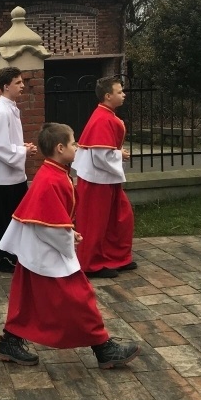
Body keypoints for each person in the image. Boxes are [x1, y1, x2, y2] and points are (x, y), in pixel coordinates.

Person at [0, 123, 140, 369]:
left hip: (37, 249)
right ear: (60, 148)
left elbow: (49, 219)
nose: (77, 146)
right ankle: (103, 347)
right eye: (73, 143)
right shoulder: (51, 180)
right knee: (80, 296)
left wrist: (67, 232)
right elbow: (46, 224)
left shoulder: (53, 173)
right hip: (45, 250)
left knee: (26, 297)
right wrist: (68, 239)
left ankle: (10, 341)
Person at [73, 76, 136, 278]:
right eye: (119, 92)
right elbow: (101, 156)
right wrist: (120, 155)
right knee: (95, 223)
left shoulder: (106, 115)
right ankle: (91, 264)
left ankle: (115, 257)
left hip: (104, 178)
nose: (123, 94)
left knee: (119, 218)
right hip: (96, 181)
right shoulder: (102, 119)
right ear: (108, 96)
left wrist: (116, 154)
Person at [0, 67, 37, 272]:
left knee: (12, 215)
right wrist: (22, 151)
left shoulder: (9, 108)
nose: (22, 86)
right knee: (2, 217)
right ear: (6, 86)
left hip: (9, 173)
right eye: (18, 82)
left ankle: (11, 253)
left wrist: (22, 149)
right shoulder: (1, 111)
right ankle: (2, 258)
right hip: (0, 176)